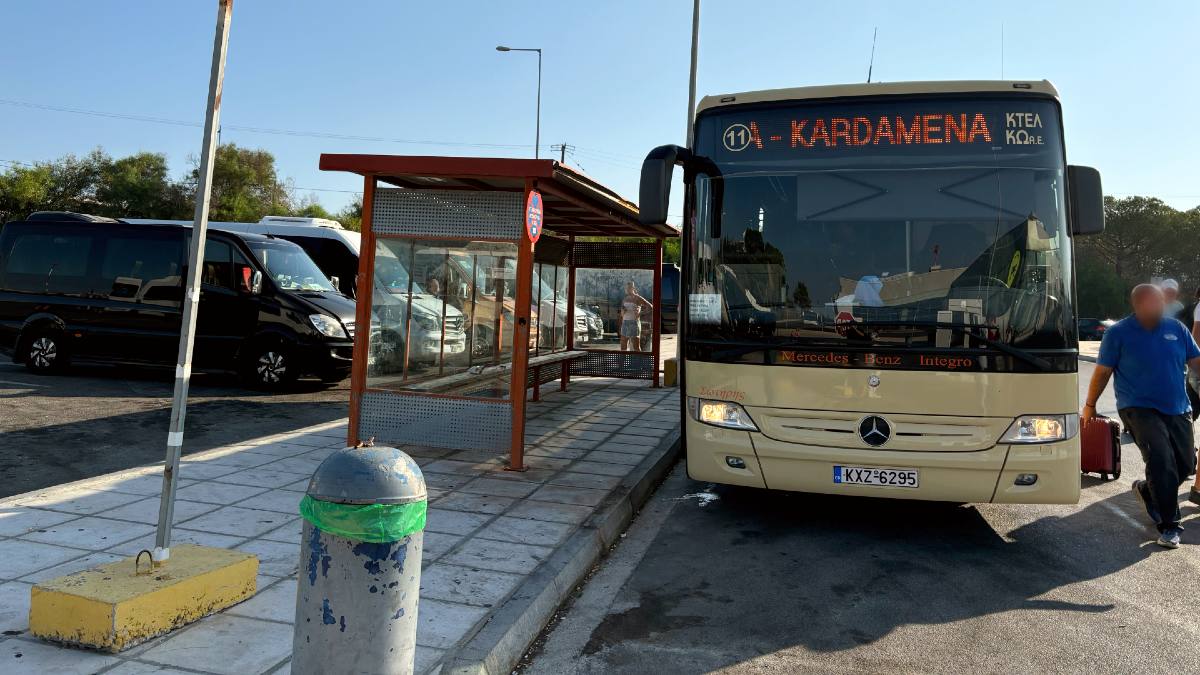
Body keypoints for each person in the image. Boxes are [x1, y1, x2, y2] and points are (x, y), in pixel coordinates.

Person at [1082, 284, 1200, 548]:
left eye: (1160, 302)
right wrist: (1090, 404)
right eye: (1152, 302)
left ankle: (1148, 490)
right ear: (1137, 305)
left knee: (1185, 465)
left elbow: (1195, 362)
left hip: (1178, 407)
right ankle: (1170, 526)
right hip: (1138, 407)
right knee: (1161, 459)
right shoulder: (1118, 333)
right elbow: (1102, 372)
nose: (1158, 306)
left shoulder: (1177, 329)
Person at [619, 281, 653, 352]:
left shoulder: (637, 298)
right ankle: (623, 362)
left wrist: (640, 313)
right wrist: (623, 311)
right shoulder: (625, 299)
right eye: (626, 288)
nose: (627, 289)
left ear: (633, 288)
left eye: (629, 288)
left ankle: (638, 362)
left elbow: (650, 307)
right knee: (623, 346)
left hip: (634, 323)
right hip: (625, 323)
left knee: (636, 347)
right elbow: (622, 313)